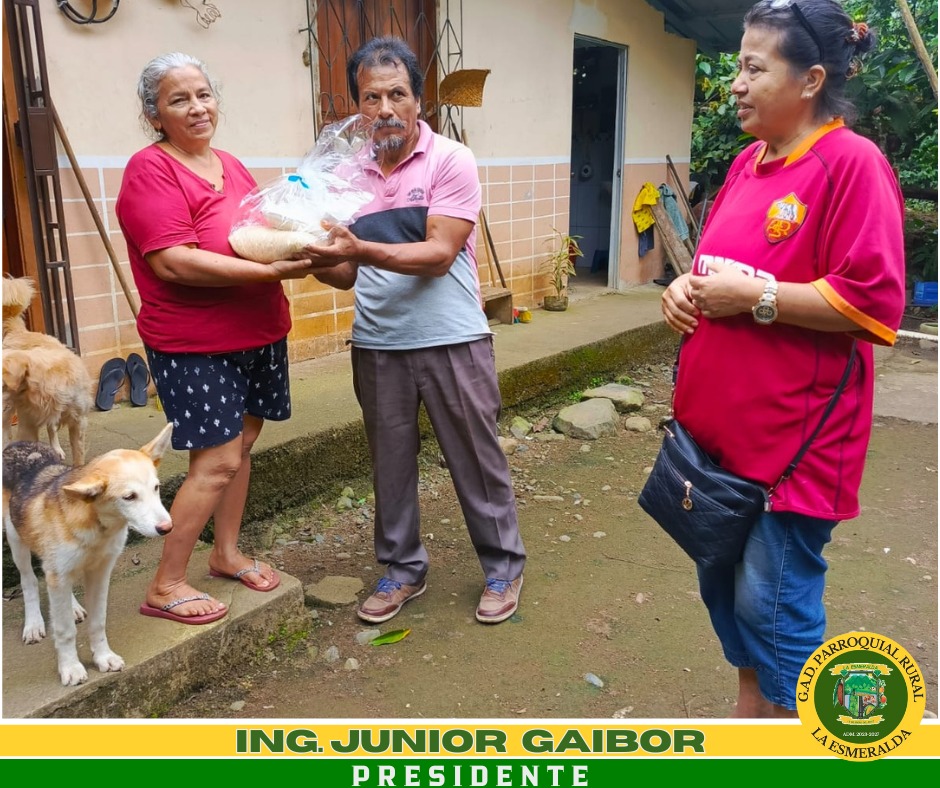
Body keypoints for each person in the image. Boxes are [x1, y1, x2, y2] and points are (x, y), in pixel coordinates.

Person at [660, 0, 905, 717]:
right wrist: (682, 289)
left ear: (810, 79)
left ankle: (796, 739)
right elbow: (714, 268)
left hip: (791, 450)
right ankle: (752, 717)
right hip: (716, 445)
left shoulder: (852, 165)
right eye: (737, 65)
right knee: (727, 592)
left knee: (774, 609)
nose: (735, 83)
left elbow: (872, 303)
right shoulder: (749, 162)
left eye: (753, 68)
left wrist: (757, 298)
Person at [301, 37, 526, 625]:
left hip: (453, 339)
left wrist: (358, 247)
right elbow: (346, 274)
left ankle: (504, 566)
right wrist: (305, 254)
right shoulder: (345, 176)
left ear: (418, 101)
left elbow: (438, 254)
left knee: (476, 460)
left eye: (397, 94)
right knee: (391, 466)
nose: (385, 109)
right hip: (378, 345)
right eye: (371, 97)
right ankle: (402, 569)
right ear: (357, 106)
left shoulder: (450, 159)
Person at [116, 53, 313, 624]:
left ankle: (225, 553)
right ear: (154, 116)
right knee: (218, 460)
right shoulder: (150, 169)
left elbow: (253, 230)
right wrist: (272, 271)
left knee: (241, 447)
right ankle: (166, 584)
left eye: (203, 94)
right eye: (179, 99)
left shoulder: (229, 164)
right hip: (195, 342)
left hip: (259, 332)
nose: (197, 108)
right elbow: (174, 261)